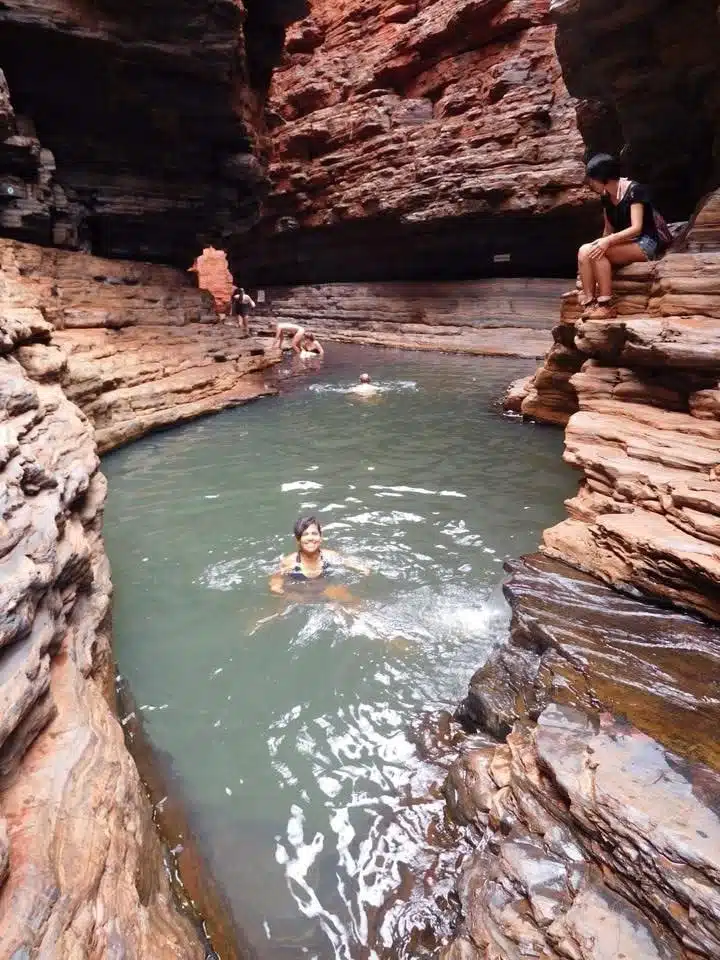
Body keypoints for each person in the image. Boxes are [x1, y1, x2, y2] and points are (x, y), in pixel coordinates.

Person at [577, 154, 662, 319]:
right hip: (623, 242)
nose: (591, 184)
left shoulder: (634, 191)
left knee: (599, 252)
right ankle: (589, 303)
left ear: (603, 178)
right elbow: (608, 230)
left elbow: (636, 228)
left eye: (592, 179)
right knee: (584, 250)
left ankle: (605, 305)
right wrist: (599, 244)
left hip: (644, 242)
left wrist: (606, 242)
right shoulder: (606, 198)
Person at [269, 516, 368, 596]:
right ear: (298, 540)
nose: (310, 538)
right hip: (299, 596)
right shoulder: (290, 562)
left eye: (314, 533)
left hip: (326, 593)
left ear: (321, 538)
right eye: (305, 534)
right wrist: (276, 586)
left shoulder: (330, 556)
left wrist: (360, 568)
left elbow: (347, 561)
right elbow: (276, 578)